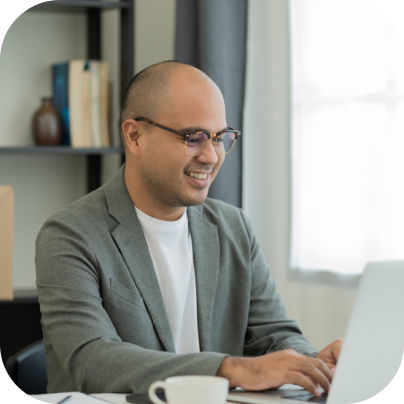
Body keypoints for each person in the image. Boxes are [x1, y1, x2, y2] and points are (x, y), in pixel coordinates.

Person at [35, 61, 342, 402]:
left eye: (220, 137)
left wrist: (312, 364)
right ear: (135, 136)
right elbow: (92, 360)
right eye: (193, 138)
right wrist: (230, 369)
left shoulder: (233, 227)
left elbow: (273, 333)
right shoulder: (69, 235)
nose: (211, 156)